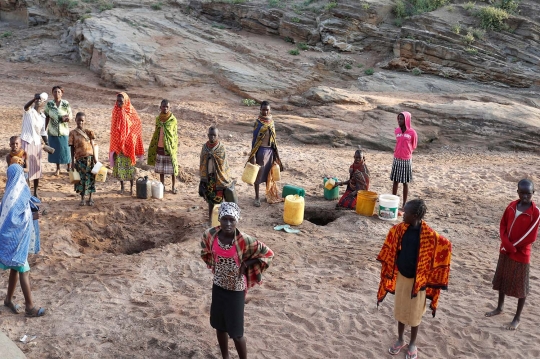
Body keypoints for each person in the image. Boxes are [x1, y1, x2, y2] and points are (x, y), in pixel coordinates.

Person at [377, 199, 451, 359]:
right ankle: (400, 339)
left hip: (419, 282)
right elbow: (391, 243)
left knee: (415, 315)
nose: (402, 214)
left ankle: (412, 343)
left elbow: (445, 244)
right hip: (403, 277)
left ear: (415, 215)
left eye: (406, 212)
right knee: (401, 310)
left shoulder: (429, 235)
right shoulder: (400, 230)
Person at [200, 202, 274, 359]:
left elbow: (268, 254)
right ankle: (225, 357)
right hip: (219, 286)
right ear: (219, 219)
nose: (228, 224)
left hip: (236, 289)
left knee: (237, 333)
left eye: (231, 220)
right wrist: (214, 265)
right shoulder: (211, 235)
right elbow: (205, 250)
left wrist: (247, 263)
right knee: (220, 326)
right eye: (225, 219)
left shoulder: (244, 240)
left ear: (237, 220)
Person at [485, 179, 539, 330]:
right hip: (506, 249)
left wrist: (512, 246)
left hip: (521, 253)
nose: (525, 196)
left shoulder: (535, 212)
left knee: (522, 285)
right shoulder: (511, 206)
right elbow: (502, 224)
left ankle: (517, 317)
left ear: (533, 193)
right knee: (503, 278)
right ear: (518, 192)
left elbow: (531, 236)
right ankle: (500, 307)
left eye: (528, 193)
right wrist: (505, 243)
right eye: (522, 193)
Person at [0, 164, 46, 317]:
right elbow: (16, 219)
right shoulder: (18, 195)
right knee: (24, 271)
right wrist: (31, 215)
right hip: (16, 242)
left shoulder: (9, 194)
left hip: (11, 242)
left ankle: (8, 300)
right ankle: (30, 307)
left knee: (15, 269)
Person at [247, 101, 283, 207]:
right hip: (260, 152)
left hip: (270, 151)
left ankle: (267, 195)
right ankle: (257, 197)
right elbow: (254, 140)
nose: (265, 111)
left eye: (267, 109)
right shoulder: (258, 123)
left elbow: (274, 139)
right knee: (258, 175)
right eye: (263, 109)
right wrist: (253, 155)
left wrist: (275, 154)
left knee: (269, 174)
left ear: (270, 110)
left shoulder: (271, 122)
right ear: (260, 109)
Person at [109, 92, 144, 195]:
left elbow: (137, 124)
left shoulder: (131, 111)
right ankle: (122, 187)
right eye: (118, 101)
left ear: (126, 101)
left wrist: (131, 138)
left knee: (130, 168)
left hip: (128, 144)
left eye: (121, 101)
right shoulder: (115, 110)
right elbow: (114, 127)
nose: (119, 103)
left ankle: (132, 189)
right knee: (120, 167)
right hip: (118, 143)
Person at [199, 126, 233, 223]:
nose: (212, 137)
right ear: (208, 135)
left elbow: (223, 164)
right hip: (209, 178)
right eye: (211, 135)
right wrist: (202, 178)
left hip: (219, 178)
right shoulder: (204, 147)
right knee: (210, 199)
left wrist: (213, 156)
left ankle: (218, 220)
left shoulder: (221, 148)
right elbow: (202, 162)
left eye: (214, 135)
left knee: (219, 200)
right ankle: (210, 219)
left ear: (218, 136)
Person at [147, 99, 179, 194]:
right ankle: (162, 186)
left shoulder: (173, 120)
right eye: (163, 106)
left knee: (172, 168)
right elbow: (156, 132)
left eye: (167, 107)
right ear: (160, 107)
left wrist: (173, 147)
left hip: (169, 148)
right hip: (159, 147)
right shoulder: (158, 119)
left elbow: (175, 135)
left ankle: (173, 187)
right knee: (161, 170)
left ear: (169, 108)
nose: (165, 108)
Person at [21, 93, 49, 198]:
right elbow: (25, 107)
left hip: (36, 144)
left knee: (36, 168)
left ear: (43, 103)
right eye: (37, 99)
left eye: (40, 100)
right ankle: (26, 191)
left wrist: (47, 144)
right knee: (25, 167)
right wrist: (33, 98)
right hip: (26, 142)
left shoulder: (43, 116)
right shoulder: (29, 111)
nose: (38, 101)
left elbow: (43, 132)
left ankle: (35, 192)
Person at [390, 111, 417, 212]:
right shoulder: (397, 131)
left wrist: (406, 152)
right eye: (398, 119)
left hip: (406, 159)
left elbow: (414, 145)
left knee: (405, 182)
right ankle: (393, 201)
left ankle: (404, 204)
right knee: (395, 181)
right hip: (397, 158)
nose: (399, 121)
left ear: (407, 120)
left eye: (401, 119)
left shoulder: (412, 132)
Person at [69, 112, 97, 206]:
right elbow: (72, 148)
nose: (80, 122)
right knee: (81, 179)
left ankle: (90, 197)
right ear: (75, 120)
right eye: (78, 120)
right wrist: (72, 162)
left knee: (91, 178)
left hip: (90, 159)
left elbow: (93, 145)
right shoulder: (72, 133)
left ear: (85, 121)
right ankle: (82, 198)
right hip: (79, 160)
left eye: (82, 120)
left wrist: (95, 159)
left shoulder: (89, 132)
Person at [44, 85, 72, 176]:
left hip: (64, 131)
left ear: (62, 93)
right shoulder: (49, 104)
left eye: (59, 92)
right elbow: (47, 116)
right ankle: (58, 168)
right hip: (53, 131)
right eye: (55, 92)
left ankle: (69, 167)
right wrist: (44, 129)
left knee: (66, 150)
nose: (57, 93)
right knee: (55, 151)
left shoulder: (65, 103)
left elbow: (70, 114)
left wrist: (68, 118)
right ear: (52, 93)